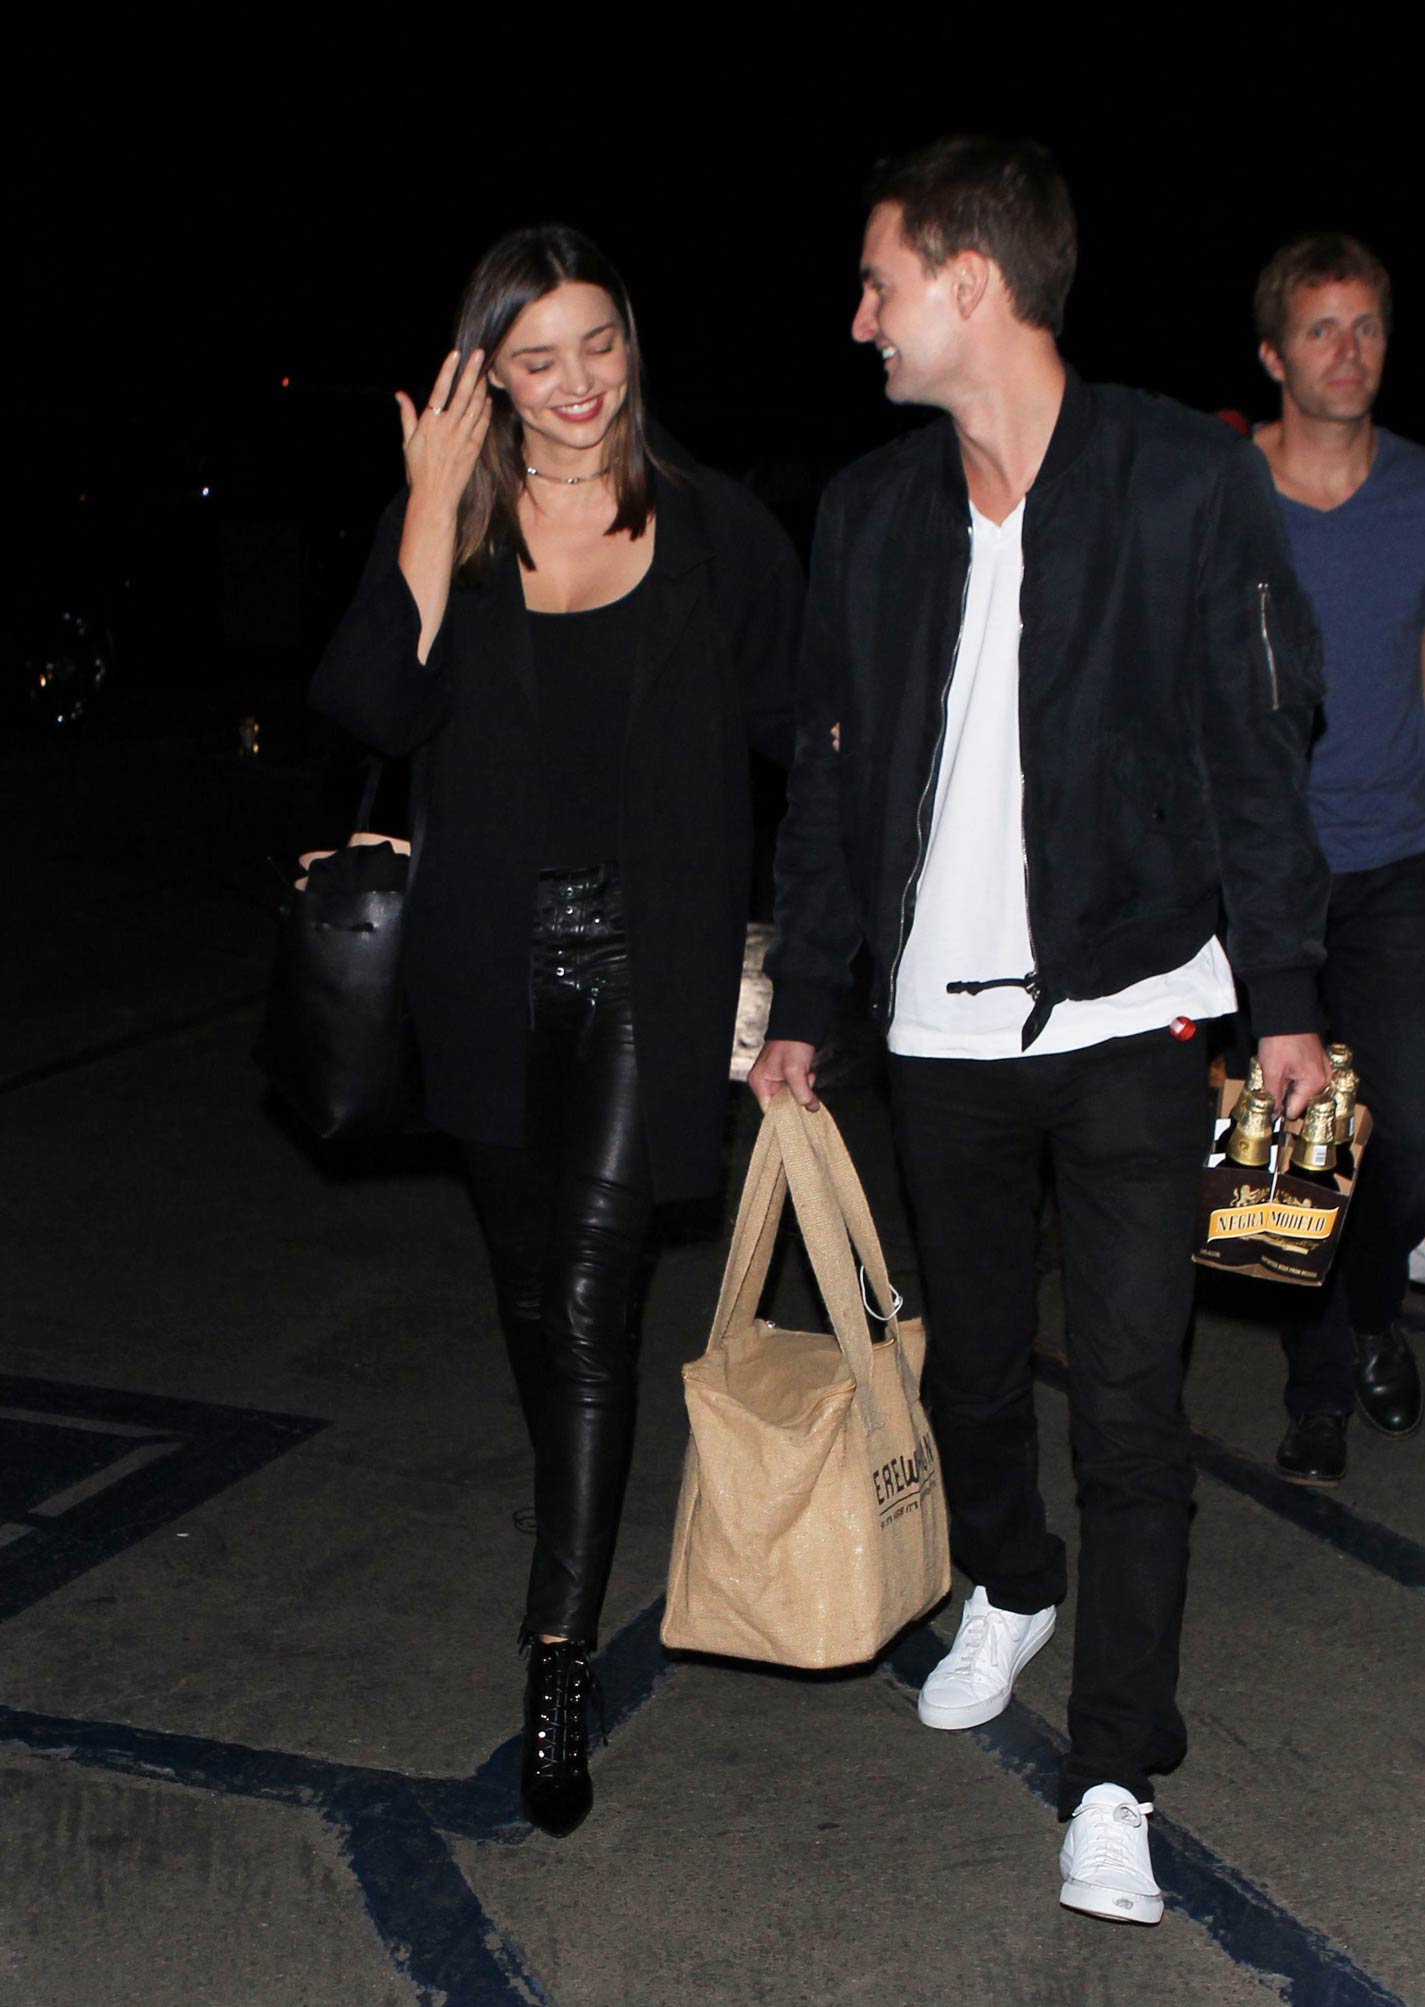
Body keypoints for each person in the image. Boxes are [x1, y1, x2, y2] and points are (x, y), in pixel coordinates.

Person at [748, 137, 1329, 1927]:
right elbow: (833, 781)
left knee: (1137, 1406)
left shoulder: (1178, 481)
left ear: (973, 285)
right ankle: (1009, 1576)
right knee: (978, 1370)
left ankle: (1114, 1770)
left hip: (1139, 1008)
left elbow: (1258, 745)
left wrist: (1288, 1000)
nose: (860, 321)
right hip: (936, 1036)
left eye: (880, 285)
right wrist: (810, 1002)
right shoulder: (871, 512)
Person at [312, 226, 800, 1836]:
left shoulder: (719, 530)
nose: (579, 383)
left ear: (631, 348)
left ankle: (554, 1664)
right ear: (486, 379)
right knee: (533, 1306)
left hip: (644, 983)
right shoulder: (439, 528)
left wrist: (800, 969)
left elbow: (812, 740)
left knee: (588, 1312)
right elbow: (373, 709)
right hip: (480, 978)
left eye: (599, 344)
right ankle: (572, 1551)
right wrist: (430, 514)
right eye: (538, 358)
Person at [1250, 234, 1425, 1486]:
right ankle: (1317, 1389)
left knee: (1414, 1133)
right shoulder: (1224, 491)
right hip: (1258, 872)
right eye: (1320, 329)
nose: (1348, 349)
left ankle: (1371, 1313)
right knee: (1289, 1138)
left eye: (1365, 326)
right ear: (1272, 355)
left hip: (1391, 859)